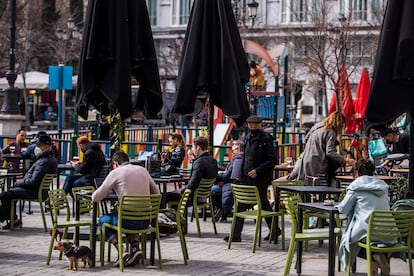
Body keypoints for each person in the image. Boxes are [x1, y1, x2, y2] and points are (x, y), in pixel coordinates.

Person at [91, 151, 160, 267]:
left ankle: (121, 250)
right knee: (127, 215)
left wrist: (109, 190)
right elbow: (157, 193)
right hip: (145, 220)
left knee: (102, 220)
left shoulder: (116, 172)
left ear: (115, 163)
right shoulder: (143, 170)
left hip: (126, 221)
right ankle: (134, 247)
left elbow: (95, 197)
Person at [224, 115, 278, 242]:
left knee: (247, 204)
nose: (252, 126)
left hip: (260, 179)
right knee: (259, 204)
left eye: (255, 124)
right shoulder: (247, 138)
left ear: (260, 125)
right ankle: (275, 230)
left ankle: (236, 235)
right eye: (250, 124)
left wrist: (258, 171)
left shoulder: (266, 139)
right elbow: (246, 158)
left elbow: (273, 159)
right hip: (246, 178)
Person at [338, 159, 394, 276]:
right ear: (373, 172)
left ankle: (373, 259)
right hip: (389, 233)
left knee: (348, 241)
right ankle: (378, 257)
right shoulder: (383, 187)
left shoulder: (356, 187)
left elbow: (343, 210)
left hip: (367, 232)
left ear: (357, 172)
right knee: (369, 238)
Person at [0, 135, 57, 229]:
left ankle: (12, 220)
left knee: (5, 195)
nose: (36, 148)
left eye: (39, 145)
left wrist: (17, 182)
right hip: (40, 191)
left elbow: (33, 181)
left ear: (46, 146)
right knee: (9, 194)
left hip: (35, 192)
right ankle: (13, 220)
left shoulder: (44, 162)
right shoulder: (49, 159)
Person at [287, 111, 352, 186]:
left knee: (307, 186)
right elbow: (330, 152)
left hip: (306, 159)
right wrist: (345, 160)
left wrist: (316, 144)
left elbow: (306, 139)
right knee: (320, 188)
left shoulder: (317, 126)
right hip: (318, 162)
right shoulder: (331, 132)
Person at [165, 136, 218, 205]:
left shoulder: (199, 163)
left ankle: (162, 215)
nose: (192, 149)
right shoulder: (213, 161)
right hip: (203, 196)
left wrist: (181, 190)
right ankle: (175, 214)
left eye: (193, 147)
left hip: (191, 198)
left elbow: (193, 184)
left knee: (163, 196)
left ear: (198, 148)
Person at [211, 140, 244, 222]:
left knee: (213, 190)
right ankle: (221, 212)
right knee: (217, 190)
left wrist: (217, 176)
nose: (232, 152)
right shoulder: (242, 158)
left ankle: (219, 209)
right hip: (235, 184)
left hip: (232, 185)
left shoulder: (238, 159)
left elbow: (228, 175)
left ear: (238, 149)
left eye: (233, 150)